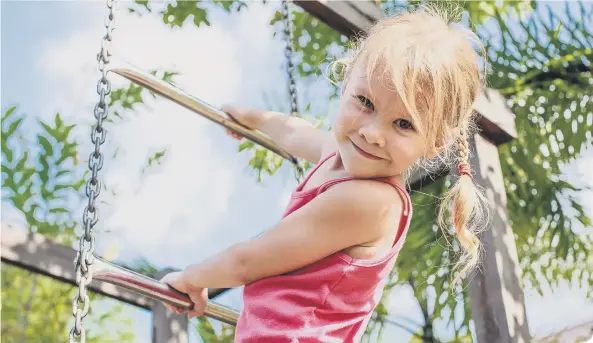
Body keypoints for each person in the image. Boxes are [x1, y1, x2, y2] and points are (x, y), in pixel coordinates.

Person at [159, 4, 489, 342]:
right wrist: (254, 119)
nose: (373, 133)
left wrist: (191, 278)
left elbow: (248, 261)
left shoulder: (372, 202)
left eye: (403, 124)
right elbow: (294, 133)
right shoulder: (337, 153)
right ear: (346, 83)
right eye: (366, 102)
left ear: (434, 142)